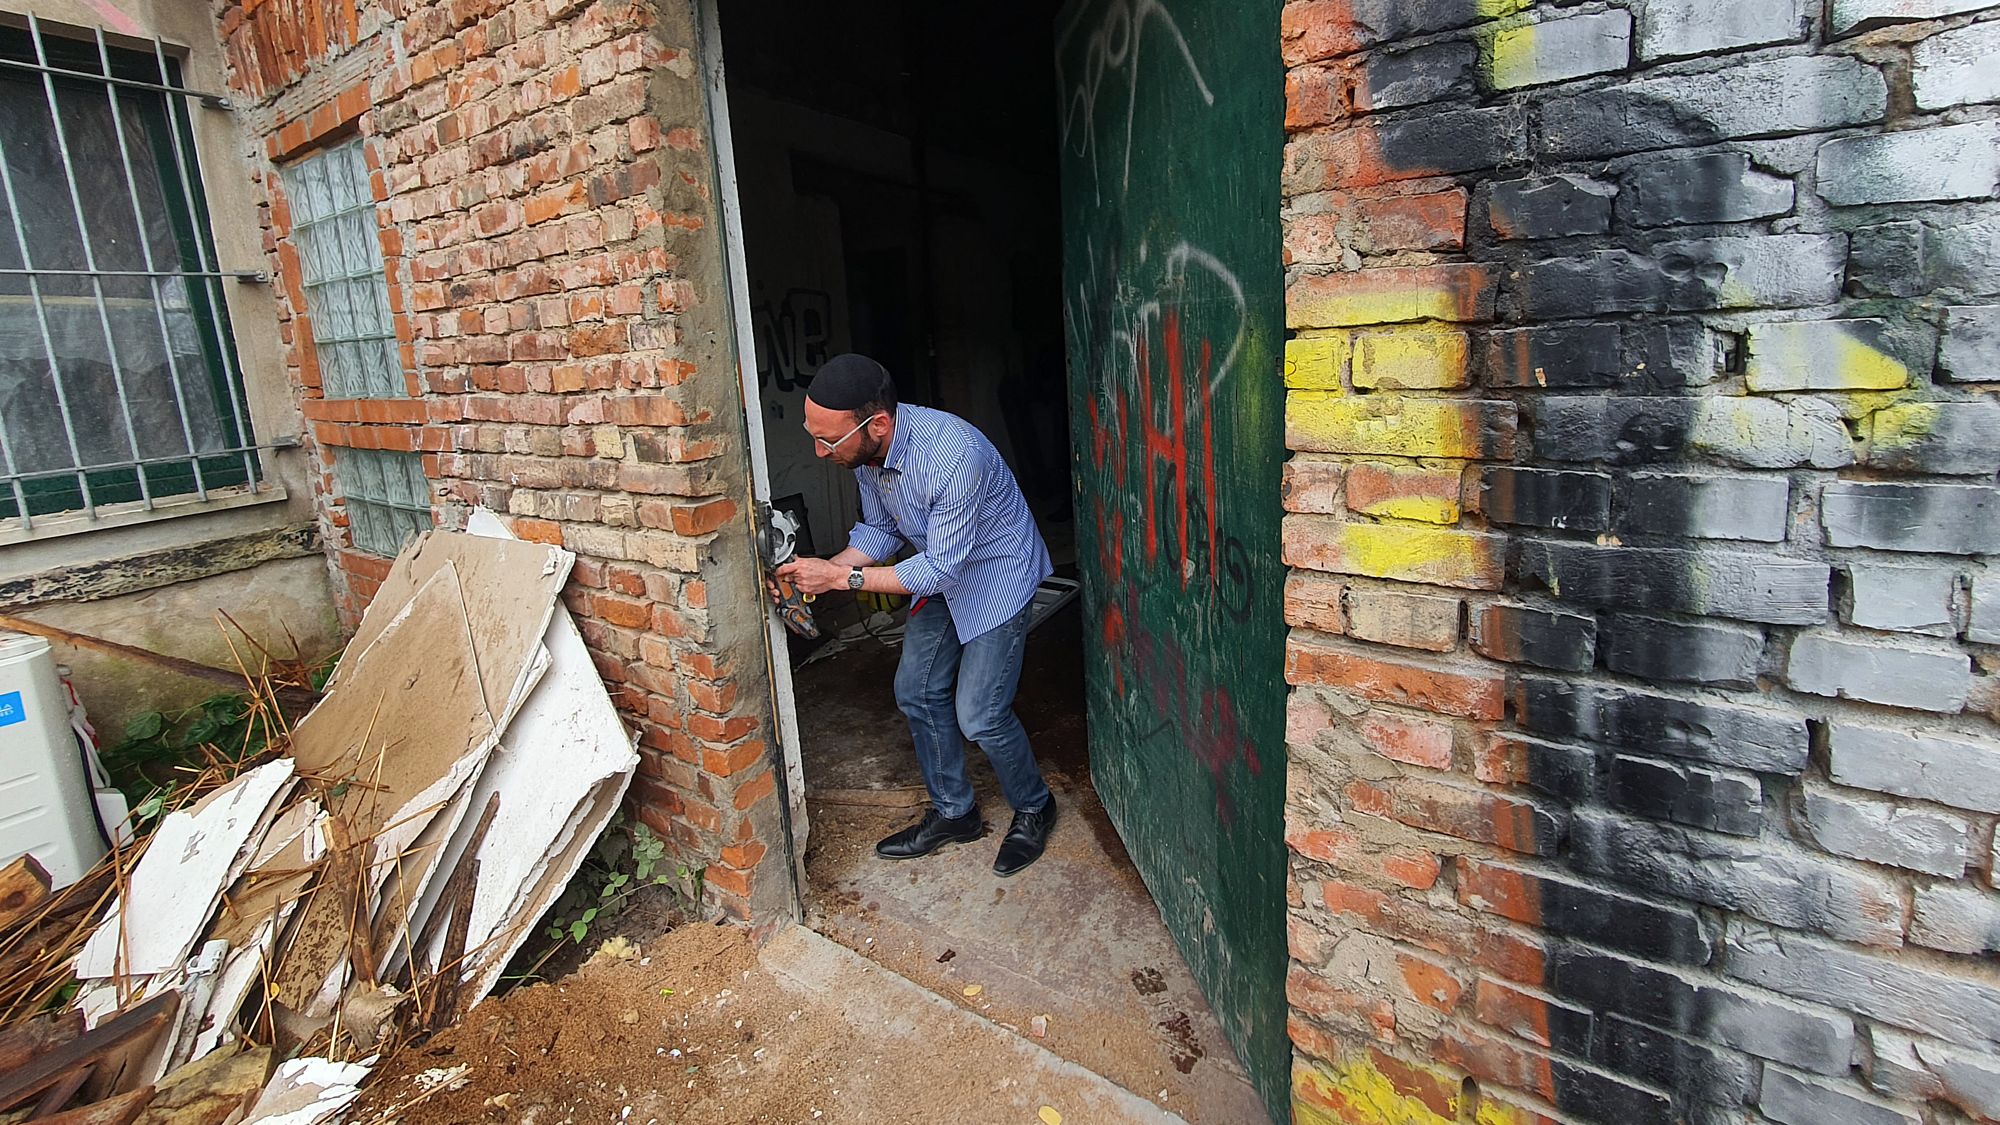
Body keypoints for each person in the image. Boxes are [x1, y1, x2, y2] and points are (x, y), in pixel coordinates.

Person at [773, 353, 1058, 876]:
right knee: (916, 691)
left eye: (829, 441)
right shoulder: (867, 454)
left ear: (877, 424)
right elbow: (881, 532)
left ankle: (1036, 805)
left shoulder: (953, 456)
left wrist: (841, 580)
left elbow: (940, 570)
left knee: (980, 713)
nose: (819, 452)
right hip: (940, 569)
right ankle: (956, 814)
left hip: (996, 574)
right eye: (814, 436)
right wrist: (819, 568)